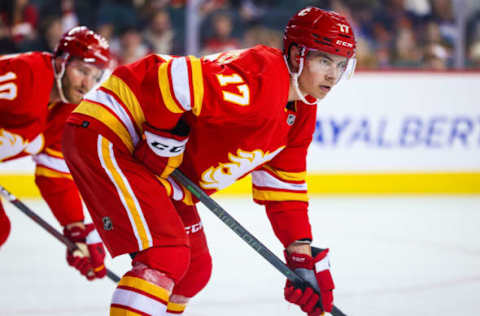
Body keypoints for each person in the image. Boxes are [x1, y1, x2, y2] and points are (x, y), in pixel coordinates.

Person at [62, 6, 356, 315]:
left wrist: (301, 257)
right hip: (111, 132)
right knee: (166, 255)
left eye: (340, 64)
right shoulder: (260, 78)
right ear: (298, 54)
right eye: (324, 60)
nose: (333, 75)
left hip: (164, 175)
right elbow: (172, 79)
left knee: (194, 272)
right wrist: (164, 140)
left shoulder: (301, 112)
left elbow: (285, 190)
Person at [0, 26, 112, 281]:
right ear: (62, 61)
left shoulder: (67, 113)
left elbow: (54, 176)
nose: (87, 84)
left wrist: (76, 229)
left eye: (95, 77)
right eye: (82, 71)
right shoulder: (23, 75)